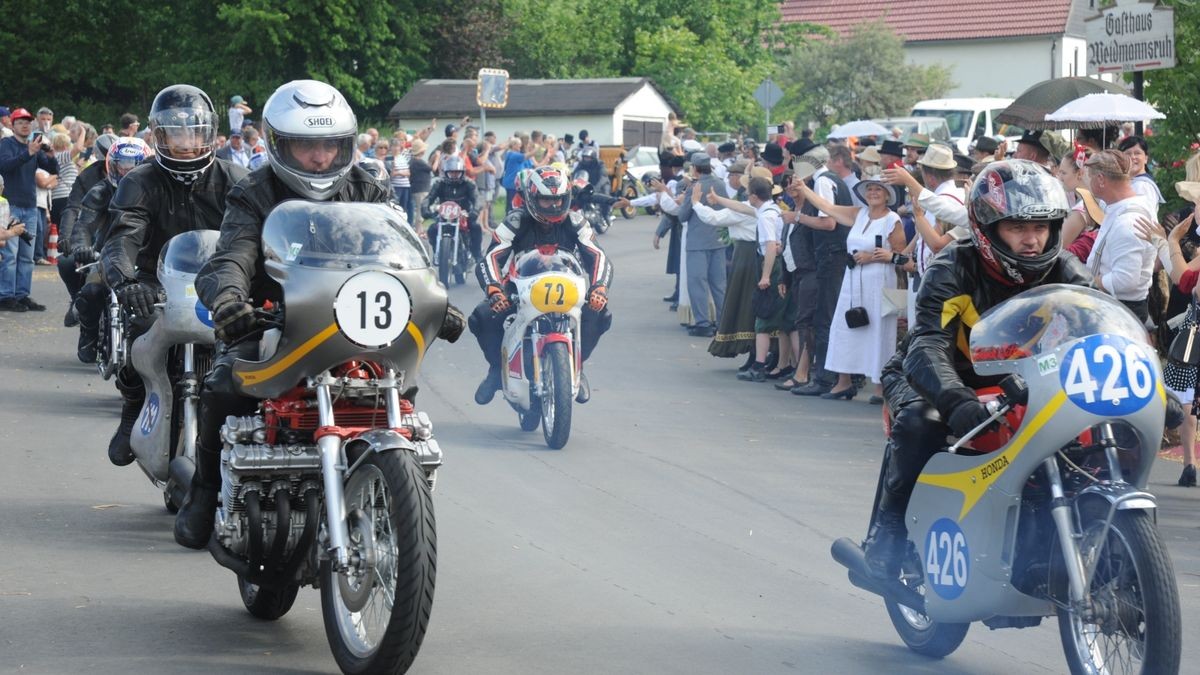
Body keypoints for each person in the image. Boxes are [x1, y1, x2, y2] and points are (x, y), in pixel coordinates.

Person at [174, 79, 465, 549]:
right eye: (307, 146)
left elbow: (399, 253)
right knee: (225, 384)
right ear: (277, 144)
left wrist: (437, 300)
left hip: (353, 325)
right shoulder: (253, 192)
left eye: (331, 145)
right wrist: (229, 300)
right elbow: (230, 257)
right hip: (273, 319)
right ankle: (205, 490)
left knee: (401, 388)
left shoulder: (368, 185)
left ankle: (390, 489)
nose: (321, 158)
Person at [863, 160, 1092, 579]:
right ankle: (888, 530)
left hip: (1021, 382)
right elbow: (928, 346)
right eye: (1018, 227)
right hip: (938, 375)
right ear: (988, 228)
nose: (1032, 240)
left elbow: (1103, 331)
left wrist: (1153, 390)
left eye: (1041, 228)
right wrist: (956, 400)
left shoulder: (1065, 271)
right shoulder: (953, 267)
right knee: (921, 420)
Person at [100, 84, 248, 467]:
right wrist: (126, 281)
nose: (186, 142)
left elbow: (258, 238)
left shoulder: (235, 178)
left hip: (220, 283)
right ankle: (133, 405)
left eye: (194, 131)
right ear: (158, 135)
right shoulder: (140, 180)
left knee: (254, 348)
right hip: (156, 282)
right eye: (176, 133)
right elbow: (121, 238)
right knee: (139, 334)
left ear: (209, 133)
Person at [471, 165, 612, 405]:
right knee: (481, 316)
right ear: (532, 199)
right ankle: (496, 370)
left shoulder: (577, 222)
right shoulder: (515, 221)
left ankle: (578, 366)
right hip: (519, 286)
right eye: (546, 201)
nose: (554, 206)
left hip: (568, 285)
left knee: (601, 314)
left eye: (558, 200)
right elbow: (491, 258)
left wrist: (599, 287)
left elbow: (598, 256)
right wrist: (494, 288)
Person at [797, 177, 904, 401]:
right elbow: (827, 207)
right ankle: (843, 381)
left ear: (887, 196)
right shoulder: (859, 213)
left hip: (879, 281)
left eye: (878, 190)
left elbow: (901, 256)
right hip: (853, 278)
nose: (873, 193)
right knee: (844, 327)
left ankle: (880, 386)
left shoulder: (892, 220)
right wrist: (804, 189)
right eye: (870, 189)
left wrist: (873, 258)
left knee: (879, 332)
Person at [71, 137, 151, 362]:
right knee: (91, 293)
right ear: (112, 165)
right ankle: (88, 335)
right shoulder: (101, 191)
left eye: (133, 165)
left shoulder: (158, 189)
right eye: (121, 165)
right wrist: (81, 246)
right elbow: (84, 223)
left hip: (149, 257)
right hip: (109, 254)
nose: (127, 171)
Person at [1083, 149, 1156, 323]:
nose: (1087, 182)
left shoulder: (1128, 223)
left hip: (1120, 312)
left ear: (1100, 179)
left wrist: (1090, 281)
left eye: (1089, 177)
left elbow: (1125, 280)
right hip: (1118, 307)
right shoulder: (1125, 204)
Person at [0, 108, 58, 312]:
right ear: (13, 125)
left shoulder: (33, 146)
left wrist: (50, 154)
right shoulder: (7, 144)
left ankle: (22, 294)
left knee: (26, 255)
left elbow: (53, 170)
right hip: (11, 205)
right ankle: (5, 296)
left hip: (30, 206)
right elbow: (5, 166)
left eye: (28, 122)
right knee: (10, 254)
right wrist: (29, 153)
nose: (25, 125)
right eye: (20, 122)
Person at [676, 153, 728, 337]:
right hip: (719, 239)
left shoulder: (694, 187)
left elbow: (683, 215)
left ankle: (703, 322)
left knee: (697, 283)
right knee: (719, 284)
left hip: (698, 241)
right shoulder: (721, 184)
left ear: (695, 168)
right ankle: (723, 323)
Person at [422, 155, 481, 258]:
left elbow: (477, 199)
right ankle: (438, 251)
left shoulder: (469, 183)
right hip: (444, 216)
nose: (454, 175)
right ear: (446, 173)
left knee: (476, 227)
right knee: (432, 230)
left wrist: (474, 211)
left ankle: (476, 254)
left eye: (457, 173)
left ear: (462, 172)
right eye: (451, 173)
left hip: (464, 215)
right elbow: (429, 198)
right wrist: (425, 209)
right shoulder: (439, 183)